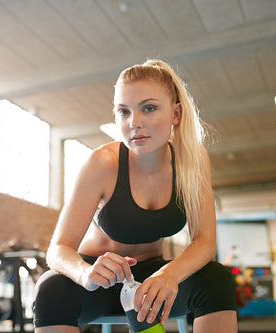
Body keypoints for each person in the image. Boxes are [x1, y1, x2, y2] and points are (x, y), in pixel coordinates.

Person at [32, 59, 237, 332]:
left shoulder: (192, 159)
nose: (134, 123)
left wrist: (170, 274)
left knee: (217, 278)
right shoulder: (102, 164)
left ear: (176, 114)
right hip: (99, 284)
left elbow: (205, 242)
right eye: (124, 111)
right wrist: (85, 274)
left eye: (148, 108)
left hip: (154, 281)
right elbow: (58, 250)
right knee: (49, 288)